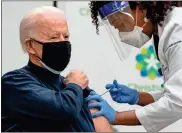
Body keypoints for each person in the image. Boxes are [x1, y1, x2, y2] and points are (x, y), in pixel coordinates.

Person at [1, 6, 113, 132]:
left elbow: (101, 127)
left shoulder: (72, 87)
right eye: (53, 38)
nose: (62, 43)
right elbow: (65, 109)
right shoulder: (14, 82)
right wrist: (76, 85)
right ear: (30, 45)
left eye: (66, 37)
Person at [86, 1, 182, 132]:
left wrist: (117, 117)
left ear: (142, 9)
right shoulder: (164, 30)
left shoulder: (177, 31)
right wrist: (138, 97)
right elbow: (173, 95)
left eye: (121, 24)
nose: (121, 34)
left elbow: (177, 102)